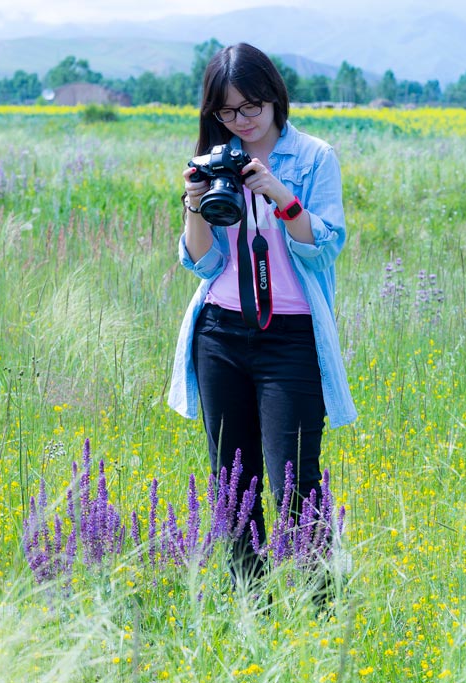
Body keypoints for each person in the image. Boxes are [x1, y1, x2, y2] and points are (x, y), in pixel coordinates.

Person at [167, 43, 357, 584]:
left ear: (274, 98)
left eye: (249, 107)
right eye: (226, 112)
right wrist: (194, 201)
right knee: (233, 483)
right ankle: (252, 606)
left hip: (291, 339)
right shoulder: (215, 159)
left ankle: (320, 607)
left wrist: (278, 193)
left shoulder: (315, 158)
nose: (240, 122)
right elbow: (203, 263)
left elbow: (323, 246)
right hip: (220, 335)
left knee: (294, 481)